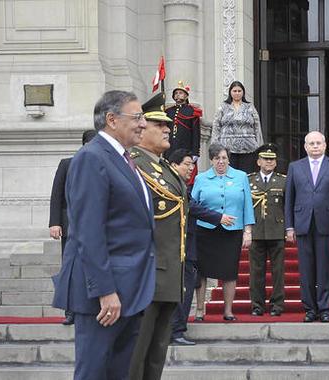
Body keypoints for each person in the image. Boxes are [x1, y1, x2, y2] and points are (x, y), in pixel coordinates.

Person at [51, 90, 155, 380]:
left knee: (117, 373)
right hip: (103, 296)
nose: (144, 124)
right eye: (137, 117)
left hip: (129, 290)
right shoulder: (91, 157)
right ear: (112, 119)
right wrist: (105, 291)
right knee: (94, 373)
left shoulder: (123, 158)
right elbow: (87, 231)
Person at [128, 93, 190, 379]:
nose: (167, 129)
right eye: (158, 124)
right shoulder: (134, 164)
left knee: (156, 355)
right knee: (136, 355)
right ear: (140, 129)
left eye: (167, 124)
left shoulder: (164, 167)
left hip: (170, 273)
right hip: (148, 273)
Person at [168, 150, 231, 344]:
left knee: (186, 287)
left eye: (192, 164)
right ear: (173, 165)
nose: (191, 168)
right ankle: (176, 330)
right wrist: (218, 217)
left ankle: (177, 328)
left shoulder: (181, 184)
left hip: (186, 245)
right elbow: (192, 207)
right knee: (184, 289)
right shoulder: (172, 185)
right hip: (178, 247)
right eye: (187, 164)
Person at [285, 131, 329, 323]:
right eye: (311, 143)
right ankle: (310, 309)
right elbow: (289, 199)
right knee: (306, 270)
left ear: (325, 145)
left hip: (326, 224)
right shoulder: (295, 167)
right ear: (305, 146)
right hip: (302, 223)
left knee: (324, 268)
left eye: (318, 143)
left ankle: (324, 308)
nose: (314, 146)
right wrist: (289, 227)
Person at [191, 143, 255, 321]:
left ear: (229, 159)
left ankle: (228, 310)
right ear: (211, 160)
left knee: (229, 271)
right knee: (202, 271)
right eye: (217, 158)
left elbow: (247, 205)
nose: (221, 161)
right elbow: (193, 204)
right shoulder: (201, 179)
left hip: (231, 231)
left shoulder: (241, 176)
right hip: (205, 230)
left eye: (224, 158)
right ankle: (199, 310)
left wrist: (247, 231)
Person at [48, 129, 96, 326]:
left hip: (94, 226)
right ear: (84, 144)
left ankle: (89, 307)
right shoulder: (68, 163)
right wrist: (54, 222)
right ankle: (70, 311)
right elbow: (56, 194)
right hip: (70, 225)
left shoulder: (102, 165)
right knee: (69, 268)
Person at [248, 143, 287, 317]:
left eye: (272, 159)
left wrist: (288, 229)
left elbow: (287, 206)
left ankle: (277, 305)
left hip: (277, 230)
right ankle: (257, 305)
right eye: (265, 159)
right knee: (256, 271)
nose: (269, 162)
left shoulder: (283, 180)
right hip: (256, 231)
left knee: (278, 271)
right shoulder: (249, 180)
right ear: (258, 161)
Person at [211, 81, 263, 174]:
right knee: (228, 174)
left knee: (247, 175)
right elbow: (216, 126)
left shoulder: (249, 106)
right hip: (227, 149)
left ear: (243, 92)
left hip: (248, 148)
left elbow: (257, 126)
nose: (237, 93)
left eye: (239, 91)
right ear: (230, 92)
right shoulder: (223, 107)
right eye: (234, 91)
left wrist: (260, 146)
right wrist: (214, 146)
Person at [165, 81, 203, 163]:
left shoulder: (192, 111)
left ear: (186, 96)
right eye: (176, 93)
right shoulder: (168, 111)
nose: (178, 94)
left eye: (180, 93)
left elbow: (196, 134)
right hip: (170, 148)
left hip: (186, 148)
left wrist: (195, 152)